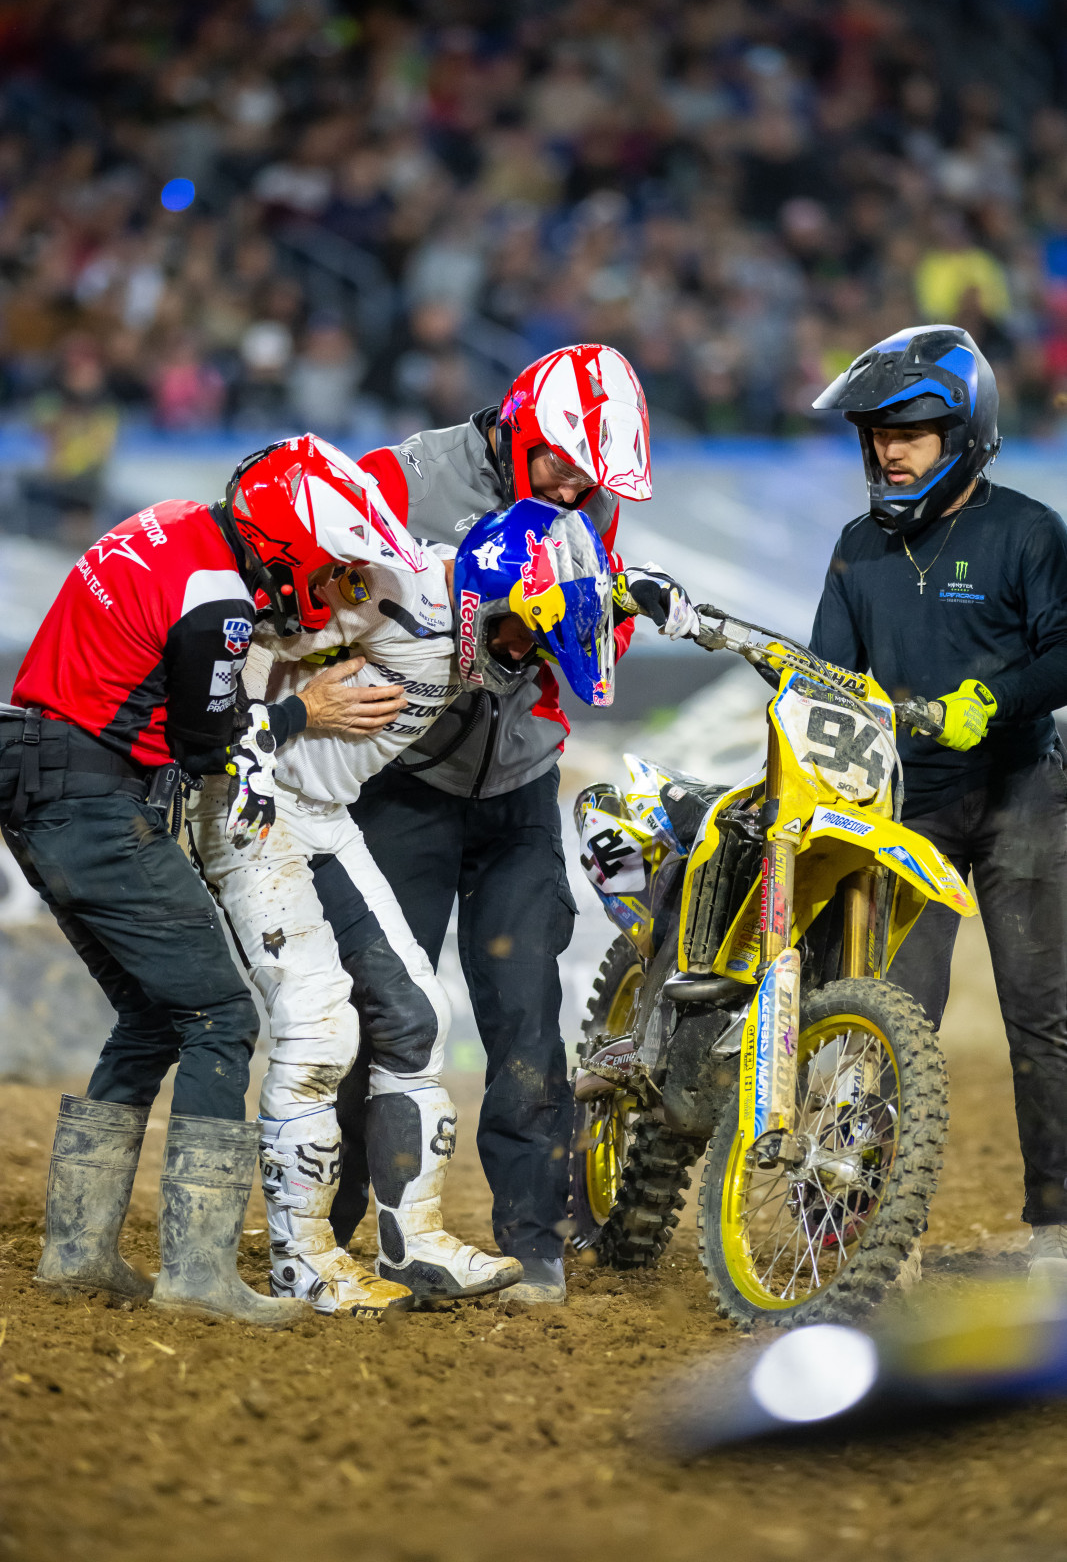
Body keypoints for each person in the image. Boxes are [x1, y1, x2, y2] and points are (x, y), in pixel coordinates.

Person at [1, 437, 423, 1325]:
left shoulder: (171, 524)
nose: (331, 589)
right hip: (91, 796)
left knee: (152, 1015)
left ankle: (78, 1253)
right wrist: (307, 708)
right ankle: (198, 1271)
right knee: (221, 1017)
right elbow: (208, 745)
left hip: (40, 778)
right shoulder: (219, 599)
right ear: (288, 548)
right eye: (329, 569)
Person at [325, 343, 698, 1303]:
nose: (576, 490)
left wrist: (604, 609)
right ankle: (327, 1228)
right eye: (563, 467)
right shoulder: (397, 480)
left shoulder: (588, 503)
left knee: (527, 1017)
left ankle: (534, 1245)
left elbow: (596, 631)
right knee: (379, 1013)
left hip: (520, 788)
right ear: (519, 429)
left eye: (592, 481)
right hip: (402, 783)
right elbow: (323, 610)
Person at [185, 435, 522, 1314]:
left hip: (325, 816)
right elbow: (263, 634)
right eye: (519, 634)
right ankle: (301, 1260)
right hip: (252, 803)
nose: (520, 656)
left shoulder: (451, 599)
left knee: (418, 1015)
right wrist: (294, 711)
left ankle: (413, 1242)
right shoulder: (397, 591)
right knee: (318, 1027)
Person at [809, 324, 1067, 1285]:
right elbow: (826, 681)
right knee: (884, 1015)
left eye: (909, 433)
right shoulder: (855, 549)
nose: (889, 451)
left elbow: (1065, 650)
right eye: (878, 434)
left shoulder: (1027, 531)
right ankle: (865, 1229)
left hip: (1021, 795)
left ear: (962, 435)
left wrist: (990, 702)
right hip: (905, 807)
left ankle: (1058, 1230)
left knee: (1041, 1016)